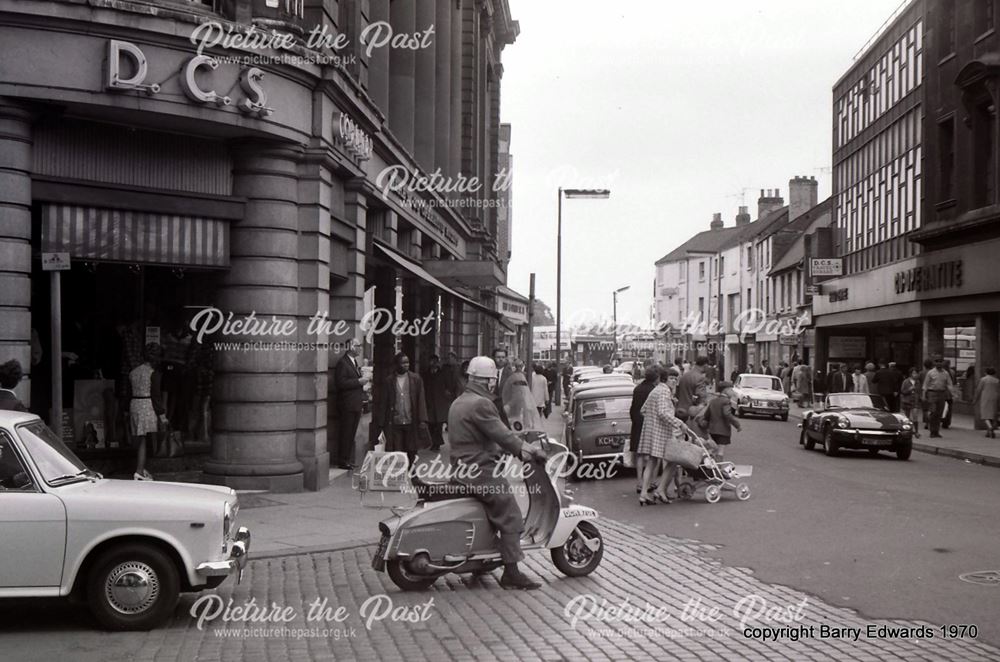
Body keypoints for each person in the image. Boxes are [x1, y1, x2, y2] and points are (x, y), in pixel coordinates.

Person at [447, 356, 547, 590]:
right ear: (487, 381)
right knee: (510, 514)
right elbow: (503, 434)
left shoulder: (460, 402)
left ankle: (483, 561)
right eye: (491, 380)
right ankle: (512, 573)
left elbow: (483, 436)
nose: (493, 384)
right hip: (480, 471)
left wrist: (507, 447)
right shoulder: (481, 404)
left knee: (491, 513)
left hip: (462, 469)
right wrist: (529, 451)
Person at [637, 367, 684, 505]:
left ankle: (644, 494)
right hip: (661, 433)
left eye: (676, 378)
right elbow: (663, 413)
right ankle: (660, 490)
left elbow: (643, 410)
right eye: (671, 378)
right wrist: (678, 423)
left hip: (651, 431)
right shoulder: (664, 391)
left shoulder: (656, 389)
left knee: (651, 462)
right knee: (673, 460)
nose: (674, 381)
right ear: (664, 379)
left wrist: (652, 422)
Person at [375, 352, 429, 467]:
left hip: (411, 421)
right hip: (395, 422)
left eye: (407, 362)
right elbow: (383, 403)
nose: (406, 365)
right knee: (397, 450)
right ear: (396, 365)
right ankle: (399, 475)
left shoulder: (416, 379)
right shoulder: (389, 381)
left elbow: (421, 400)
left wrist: (422, 420)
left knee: (412, 450)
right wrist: (381, 423)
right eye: (403, 363)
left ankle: (411, 473)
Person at [129, 343, 166, 481]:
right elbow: (156, 395)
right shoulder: (154, 374)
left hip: (134, 404)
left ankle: (142, 467)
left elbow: (128, 393)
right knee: (145, 439)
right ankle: (139, 470)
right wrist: (162, 415)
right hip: (147, 405)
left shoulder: (133, 372)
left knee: (139, 438)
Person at [333, 339, 370, 470]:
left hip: (355, 403)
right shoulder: (343, 363)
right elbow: (341, 383)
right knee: (346, 433)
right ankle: (343, 460)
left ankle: (347, 459)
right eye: (357, 346)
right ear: (350, 347)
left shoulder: (354, 362)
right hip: (347, 404)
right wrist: (359, 382)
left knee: (351, 433)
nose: (360, 348)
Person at [629, 365, 660, 495]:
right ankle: (652, 481)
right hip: (651, 423)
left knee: (639, 454)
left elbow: (633, 408)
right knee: (654, 454)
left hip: (637, 423)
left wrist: (635, 420)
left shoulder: (638, 389)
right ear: (656, 378)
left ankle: (639, 482)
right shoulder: (655, 391)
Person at [422, 354, 454, 452]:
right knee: (431, 424)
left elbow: (449, 386)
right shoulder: (426, 374)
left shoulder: (443, 373)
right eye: (431, 361)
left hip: (440, 403)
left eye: (434, 362)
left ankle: (437, 444)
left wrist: (447, 395)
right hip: (430, 402)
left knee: (438, 425)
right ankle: (433, 442)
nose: (433, 364)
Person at [705, 381, 741, 460]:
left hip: (712, 430)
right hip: (722, 430)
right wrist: (737, 424)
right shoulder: (726, 401)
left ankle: (712, 466)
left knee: (713, 449)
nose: (732, 392)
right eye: (731, 390)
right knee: (720, 451)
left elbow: (707, 415)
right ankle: (718, 468)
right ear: (725, 390)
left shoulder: (713, 401)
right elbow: (727, 414)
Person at [922, 357, 953, 439]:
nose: (939, 363)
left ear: (942, 363)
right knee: (933, 412)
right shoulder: (930, 373)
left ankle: (937, 431)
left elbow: (949, 384)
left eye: (940, 361)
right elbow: (925, 384)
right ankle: (932, 431)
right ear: (934, 363)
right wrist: (924, 395)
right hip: (932, 393)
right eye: (937, 361)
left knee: (939, 413)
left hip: (942, 393)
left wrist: (952, 393)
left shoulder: (945, 373)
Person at [675, 356, 708, 421]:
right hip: (691, 413)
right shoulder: (700, 378)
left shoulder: (685, 375)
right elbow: (701, 397)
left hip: (680, 410)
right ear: (705, 365)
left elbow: (678, 392)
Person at [974, 367, 999, 439]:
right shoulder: (996, 380)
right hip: (995, 398)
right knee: (992, 415)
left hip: (985, 398)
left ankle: (990, 428)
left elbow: (978, 390)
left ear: (986, 372)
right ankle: (988, 432)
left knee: (985, 415)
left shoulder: (983, 379)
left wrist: (975, 399)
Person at [900, 368, 922, 439]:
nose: (915, 375)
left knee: (915, 416)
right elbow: (903, 391)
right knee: (907, 417)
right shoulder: (906, 381)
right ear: (910, 374)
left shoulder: (918, 382)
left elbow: (919, 391)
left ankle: (916, 431)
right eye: (914, 373)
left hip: (915, 401)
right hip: (907, 401)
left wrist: (919, 398)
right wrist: (909, 389)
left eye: (916, 373)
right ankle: (908, 431)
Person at [492, 348, 512, 423]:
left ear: (506, 358)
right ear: (493, 358)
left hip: (504, 409)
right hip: (489, 407)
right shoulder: (489, 371)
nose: (501, 359)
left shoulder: (510, 374)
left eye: (503, 357)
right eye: (498, 357)